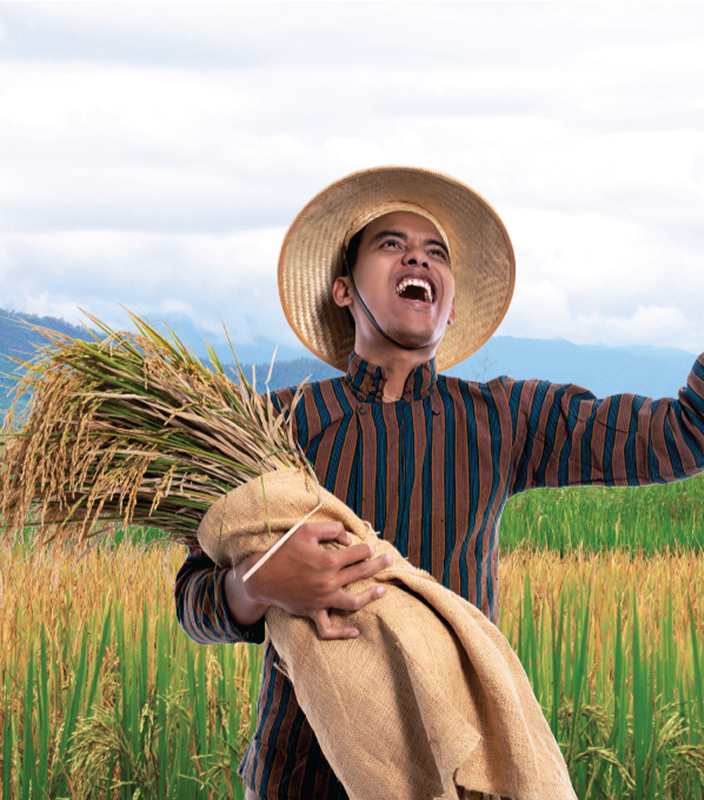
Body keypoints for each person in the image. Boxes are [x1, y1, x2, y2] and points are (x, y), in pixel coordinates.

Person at [174, 166, 704, 800]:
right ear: (344, 290)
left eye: (436, 252)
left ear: (449, 310)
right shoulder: (275, 428)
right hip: (302, 774)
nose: (417, 258)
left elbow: (683, 433)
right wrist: (256, 584)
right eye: (391, 244)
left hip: (457, 771)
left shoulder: (505, 418)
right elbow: (193, 602)